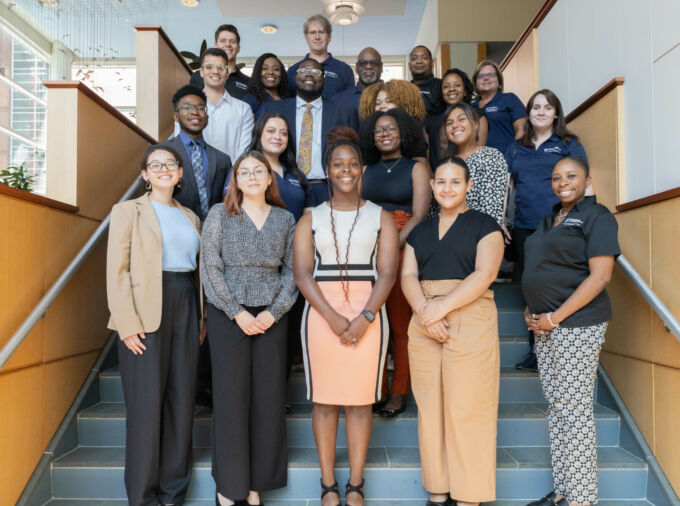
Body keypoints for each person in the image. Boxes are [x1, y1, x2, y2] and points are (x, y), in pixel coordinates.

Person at [293, 128, 399, 506]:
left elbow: (387, 273)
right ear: (327, 170)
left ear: (363, 169)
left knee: (358, 401)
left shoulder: (381, 217)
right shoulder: (310, 218)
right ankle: (327, 484)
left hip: (369, 312)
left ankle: (355, 484)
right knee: (324, 402)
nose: (346, 170)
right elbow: (303, 274)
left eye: (353, 164)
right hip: (322, 315)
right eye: (338, 164)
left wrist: (366, 316)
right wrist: (333, 317)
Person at [401, 157, 504, 506]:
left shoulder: (484, 225)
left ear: (468, 186)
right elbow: (407, 276)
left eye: (455, 182)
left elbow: (485, 273)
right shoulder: (420, 230)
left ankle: (469, 496)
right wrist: (425, 313)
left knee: (468, 408)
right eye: (441, 182)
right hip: (425, 317)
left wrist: (439, 310)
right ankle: (438, 488)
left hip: (469, 314)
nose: (447, 188)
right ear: (431, 186)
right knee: (430, 408)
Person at [106, 145, 202, 506]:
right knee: (146, 409)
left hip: (185, 307)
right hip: (144, 314)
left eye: (170, 165)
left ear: (179, 174)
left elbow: (197, 274)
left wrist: (201, 319)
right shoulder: (127, 211)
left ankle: (173, 493)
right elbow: (117, 272)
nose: (163, 169)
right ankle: (144, 499)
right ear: (145, 174)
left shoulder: (191, 216)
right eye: (155, 165)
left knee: (181, 404)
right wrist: (127, 325)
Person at [201, 151, 298, 506]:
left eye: (260, 170)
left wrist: (275, 312)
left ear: (271, 178)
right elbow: (210, 267)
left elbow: (292, 271)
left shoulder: (285, 219)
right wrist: (235, 311)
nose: (253, 176)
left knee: (268, 398)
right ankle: (230, 486)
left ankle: (255, 484)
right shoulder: (219, 214)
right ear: (236, 180)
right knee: (231, 397)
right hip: (230, 316)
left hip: (272, 316)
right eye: (245, 172)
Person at [522, 156, 619, 506]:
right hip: (547, 325)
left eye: (571, 176)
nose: (563, 182)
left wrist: (555, 317)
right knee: (557, 408)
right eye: (557, 177)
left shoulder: (597, 216)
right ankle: (564, 490)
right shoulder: (551, 218)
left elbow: (601, 276)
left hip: (577, 325)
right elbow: (540, 267)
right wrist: (531, 308)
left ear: (587, 180)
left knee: (575, 411)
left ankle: (581, 500)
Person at [507, 89, 587, 372]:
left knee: (559, 286)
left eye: (547, 107)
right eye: (536, 107)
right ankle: (536, 351)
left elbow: (582, 181)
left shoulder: (568, 142)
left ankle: (562, 349)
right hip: (525, 227)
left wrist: (582, 219)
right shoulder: (517, 146)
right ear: (528, 112)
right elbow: (509, 186)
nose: (541, 111)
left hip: (560, 225)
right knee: (532, 289)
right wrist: (504, 222)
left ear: (556, 113)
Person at [359, 108, 431, 418]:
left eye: (391, 129)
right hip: (367, 250)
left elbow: (420, 215)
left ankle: (399, 392)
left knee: (400, 325)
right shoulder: (365, 170)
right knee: (373, 323)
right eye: (378, 130)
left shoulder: (417, 168)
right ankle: (375, 388)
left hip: (402, 248)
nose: (385, 134)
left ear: (402, 133)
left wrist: (391, 246)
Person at [261, 58, 339, 205]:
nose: (309, 75)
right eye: (303, 71)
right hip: (283, 187)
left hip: (327, 189)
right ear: (295, 77)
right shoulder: (272, 109)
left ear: (324, 79)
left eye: (315, 72)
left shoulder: (341, 111)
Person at [160, 85, 232, 222]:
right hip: (173, 231)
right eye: (187, 107)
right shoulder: (160, 153)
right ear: (176, 116)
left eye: (200, 108)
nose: (195, 112)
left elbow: (227, 200)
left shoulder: (223, 159)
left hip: (214, 234)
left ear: (207, 116)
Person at [439, 103, 509, 228]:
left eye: (461, 119)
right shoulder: (447, 163)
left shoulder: (491, 157)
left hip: (476, 236)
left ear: (475, 124)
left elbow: (491, 213)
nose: (455, 125)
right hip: (441, 234)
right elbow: (435, 211)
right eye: (449, 123)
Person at [187, 48, 253, 162]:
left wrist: (231, 177)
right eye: (209, 67)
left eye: (221, 68)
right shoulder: (187, 108)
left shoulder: (243, 109)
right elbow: (183, 146)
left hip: (232, 176)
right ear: (201, 72)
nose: (215, 71)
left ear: (227, 73)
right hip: (196, 177)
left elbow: (244, 150)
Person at [424, 68, 488, 169]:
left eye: (457, 85)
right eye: (446, 86)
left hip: (470, 177)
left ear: (465, 91)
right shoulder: (430, 123)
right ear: (441, 92)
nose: (451, 89)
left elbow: (479, 155)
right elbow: (427, 159)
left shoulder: (478, 116)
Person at [287, 14, 354, 100]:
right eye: (312, 33)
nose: (317, 37)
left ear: (329, 37)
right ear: (306, 38)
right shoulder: (293, 70)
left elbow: (349, 104)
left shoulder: (344, 70)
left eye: (321, 32)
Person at [472, 60, 526, 152]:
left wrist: (514, 156)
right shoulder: (471, 107)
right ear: (476, 82)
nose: (486, 78)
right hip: (478, 161)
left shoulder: (509, 99)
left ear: (499, 80)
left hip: (507, 159)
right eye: (481, 76)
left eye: (491, 75)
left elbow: (521, 131)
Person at [189, 24, 250, 99]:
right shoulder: (198, 77)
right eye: (222, 41)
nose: (227, 44)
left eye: (232, 41)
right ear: (216, 45)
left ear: (238, 48)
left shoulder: (248, 83)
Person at [333, 47, 383, 132]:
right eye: (363, 63)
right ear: (356, 68)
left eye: (374, 63)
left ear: (381, 67)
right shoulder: (339, 101)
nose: (368, 67)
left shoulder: (392, 98)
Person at [409, 45, 445, 117]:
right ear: (409, 65)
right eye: (414, 58)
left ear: (432, 63)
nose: (419, 61)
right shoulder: (404, 89)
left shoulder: (442, 86)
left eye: (424, 57)